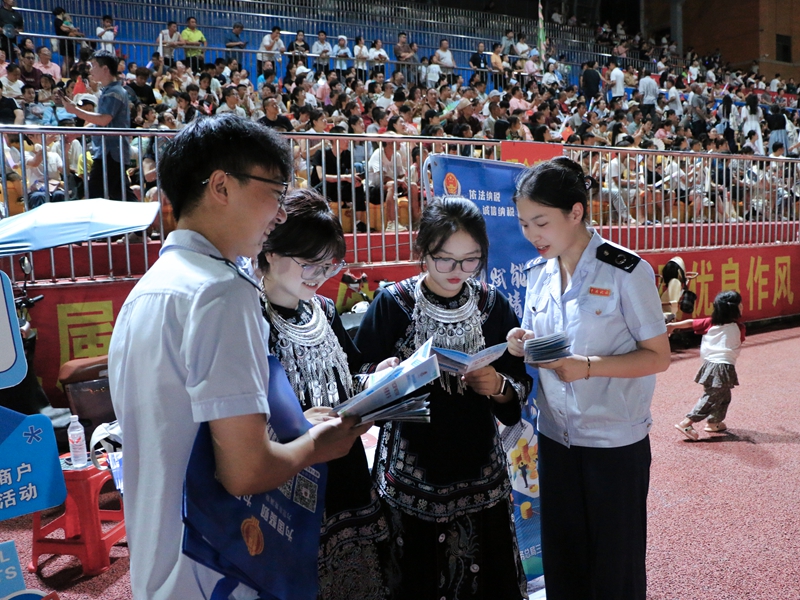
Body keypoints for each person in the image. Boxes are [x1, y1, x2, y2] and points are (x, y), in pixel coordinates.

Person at [108, 114, 371, 599]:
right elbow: (245, 471)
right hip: (214, 561)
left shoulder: (149, 290)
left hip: (162, 554)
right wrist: (321, 445)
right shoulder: (222, 293)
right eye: (274, 191)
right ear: (222, 187)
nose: (280, 213)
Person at [506, 157, 671, 600]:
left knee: (614, 565)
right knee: (564, 560)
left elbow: (658, 356)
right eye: (524, 224)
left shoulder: (626, 270)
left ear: (576, 212)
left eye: (540, 222)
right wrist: (520, 339)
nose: (531, 236)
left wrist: (589, 366)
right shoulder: (539, 275)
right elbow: (534, 336)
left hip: (614, 443)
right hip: (556, 439)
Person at [354, 196, 531, 599]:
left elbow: (520, 381)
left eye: (471, 261)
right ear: (423, 252)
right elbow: (359, 378)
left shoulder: (491, 304)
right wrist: (386, 377)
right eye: (445, 260)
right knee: (414, 576)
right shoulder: (393, 303)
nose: (458, 272)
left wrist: (499, 387)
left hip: (479, 467)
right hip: (410, 468)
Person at [258, 188, 396, 599]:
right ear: (269, 252)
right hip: (288, 478)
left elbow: (350, 376)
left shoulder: (325, 311)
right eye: (309, 264)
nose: (319, 276)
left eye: (328, 264)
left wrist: (380, 376)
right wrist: (299, 424)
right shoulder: (249, 319)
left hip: (345, 472)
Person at [671, 290, 744, 441]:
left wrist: (672, 326)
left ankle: (714, 422)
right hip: (722, 366)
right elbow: (739, 341)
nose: (742, 306)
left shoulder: (710, 322)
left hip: (710, 365)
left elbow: (691, 323)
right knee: (712, 396)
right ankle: (687, 422)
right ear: (734, 309)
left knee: (723, 396)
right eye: (739, 304)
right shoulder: (739, 327)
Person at [62, 50, 133, 201]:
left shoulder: (113, 92)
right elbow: (102, 123)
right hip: (110, 152)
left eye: (93, 65)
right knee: (122, 194)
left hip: (111, 153)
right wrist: (79, 132)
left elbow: (103, 120)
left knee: (95, 193)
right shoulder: (110, 91)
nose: (91, 70)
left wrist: (75, 110)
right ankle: (146, 222)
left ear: (105, 69)